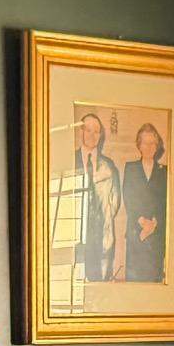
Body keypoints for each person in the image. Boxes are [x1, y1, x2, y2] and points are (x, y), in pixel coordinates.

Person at [71, 112, 120, 281]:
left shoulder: (109, 165)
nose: (92, 135)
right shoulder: (70, 160)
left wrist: (101, 219)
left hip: (101, 237)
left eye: (96, 131)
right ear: (81, 132)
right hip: (76, 236)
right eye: (88, 130)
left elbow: (114, 202)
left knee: (100, 286)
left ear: (101, 135)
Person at [121, 123, 167, 282]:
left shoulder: (164, 171)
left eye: (152, 143)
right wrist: (141, 222)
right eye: (145, 143)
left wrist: (153, 224)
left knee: (154, 281)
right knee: (135, 282)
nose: (148, 147)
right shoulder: (131, 168)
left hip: (156, 234)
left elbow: (164, 201)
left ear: (157, 146)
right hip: (136, 232)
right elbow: (128, 197)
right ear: (139, 145)